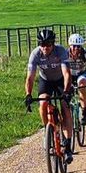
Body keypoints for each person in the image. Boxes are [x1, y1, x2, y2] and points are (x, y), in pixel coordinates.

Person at [24, 28, 74, 163]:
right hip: (45, 80)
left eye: (48, 44)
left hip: (60, 81)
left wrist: (66, 91)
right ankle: (48, 132)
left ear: (53, 44)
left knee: (65, 106)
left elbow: (67, 73)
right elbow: (30, 77)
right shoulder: (35, 54)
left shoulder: (61, 51)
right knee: (43, 103)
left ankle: (68, 144)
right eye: (42, 44)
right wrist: (28, 94)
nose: (45, 47)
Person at [67, 33, 86, 126]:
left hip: (82, 73)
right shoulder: (65, 54)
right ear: (70, 46)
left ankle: (84, 112)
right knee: (66, 94)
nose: (76, 49)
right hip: (69, 75)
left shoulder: (85, 53)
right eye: (74, 46)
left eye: (78, 47)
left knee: (81, 85)